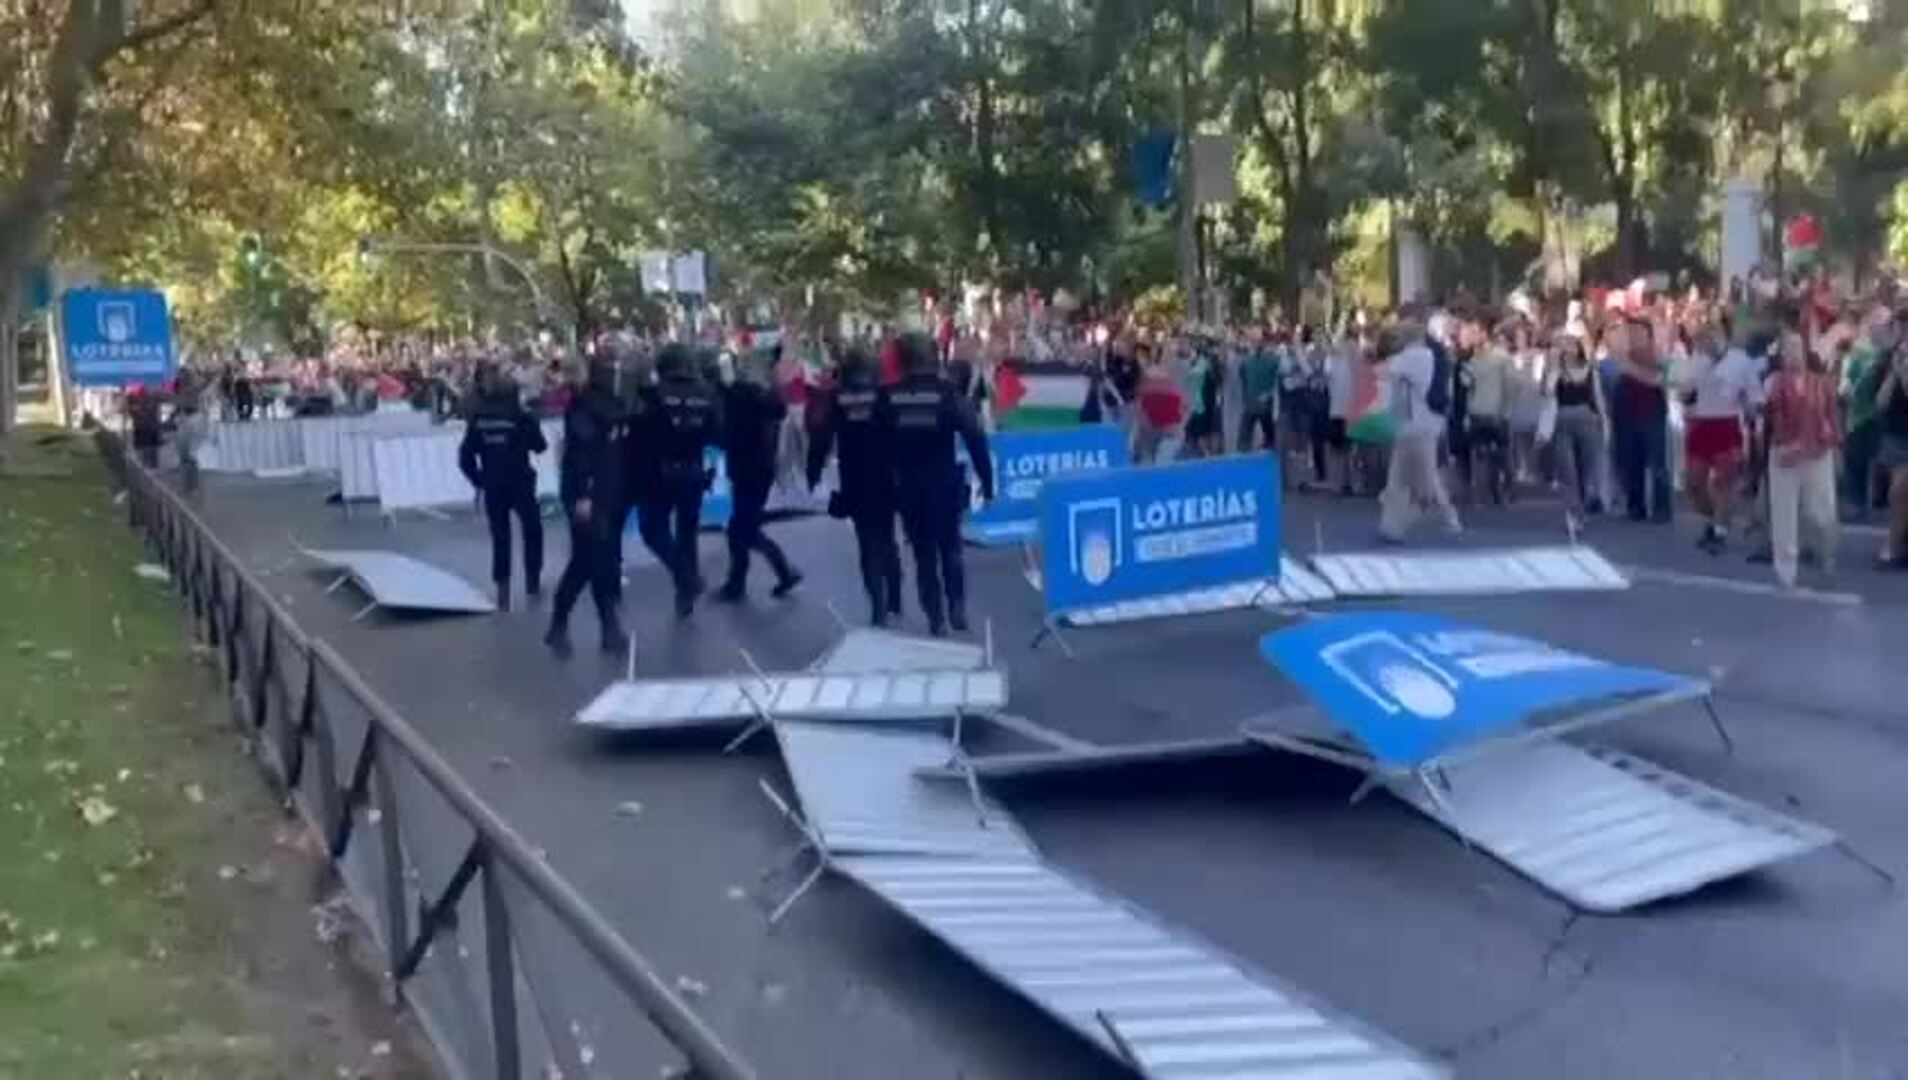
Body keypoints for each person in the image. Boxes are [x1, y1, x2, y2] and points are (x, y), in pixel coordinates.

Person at [882, 332, 993, 636]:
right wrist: (987, 482)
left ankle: (935, 617)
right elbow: (975, 439)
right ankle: (956, 604)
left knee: (923, 555)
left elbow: (877, 447)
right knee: (951, 548)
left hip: (908, 487)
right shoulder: (949, 394)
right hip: (944, 484)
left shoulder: (888, 396)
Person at [808, 347, 904, 625]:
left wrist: (813, 473)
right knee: (887, 538)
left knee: (867, 544)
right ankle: (895, 595)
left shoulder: (836, 399)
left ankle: (877, 604)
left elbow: (821, 439)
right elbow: (900, 435)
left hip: (854, 479)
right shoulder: (885, 397)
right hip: (885, 478)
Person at [545, 356, 630, 657]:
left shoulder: (608, 405)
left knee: (599, 560)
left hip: (606, 492)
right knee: (588, 561)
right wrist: (584, 494)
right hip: (590, 494)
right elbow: (584, 454)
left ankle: (599, 627)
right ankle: (571, 623)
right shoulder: (585, 408)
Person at [631, 344, 724, 618]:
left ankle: (686, 577)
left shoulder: (652, 394)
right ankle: (685, 594)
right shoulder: (707, 393)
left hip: (659, 471)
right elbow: (716, 433)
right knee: (687, 533)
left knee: (653, 530)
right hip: (693, 469)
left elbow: (641, 433)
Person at [458, 366, 548, 610]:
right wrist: (532, 422)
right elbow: (540, 446)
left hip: (493, 484)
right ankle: (532, 580)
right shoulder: (520, 417)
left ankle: (503, 589)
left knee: (500, 536)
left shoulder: (479, 420)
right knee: (532, 529)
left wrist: (479, 481)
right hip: (521, 482)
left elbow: (465, 456)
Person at [716, 352, 801, 603]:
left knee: (743, 529)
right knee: (742, 527)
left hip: (747, 469)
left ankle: (781, 573)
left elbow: (723, 429)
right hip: (759, 468)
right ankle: (740, 582)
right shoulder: (762, 397)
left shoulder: (739, 395)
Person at [1762, 327, 1840, 588]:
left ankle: (1825, 553)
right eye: (1788, 348)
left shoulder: (1821, 383)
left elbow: (1832, 417)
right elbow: (1773, 415)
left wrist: (1832, 444)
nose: (1794, 352)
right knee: (1783, 513)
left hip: (1817, 451)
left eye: (1797, 346)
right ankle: (1786, 571)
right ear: (1782, 354)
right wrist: (1787, 446)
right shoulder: (1774, 382)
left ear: (1805, 351)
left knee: (1821, 512)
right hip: (1785, 453)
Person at [1675, 322, 1761, 554]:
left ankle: (1720, 531)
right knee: (1694, 483)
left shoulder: (1740, 361)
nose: (1707, 342)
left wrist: (1752, 411)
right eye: (1703, 338)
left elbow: (1753, 395)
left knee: (1725, 482)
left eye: (1713, 336)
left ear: (1723, 337)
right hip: (1700, 424)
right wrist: (1686, 392)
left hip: (1727, 424)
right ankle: (1713, 520)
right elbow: (1684, 393)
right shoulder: (1696, 360)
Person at [1377, 320, 1461, 542]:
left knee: (1421, 481)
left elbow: (1383, 371)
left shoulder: (1414, 356)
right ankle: (1391, 527)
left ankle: (1445, 515)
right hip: (1422, 424)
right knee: (1400, 478)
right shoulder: (1429, 356)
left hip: (1416, 426)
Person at [1544, 334, 1607, 534]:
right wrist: (1553, 368)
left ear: (1579, 349)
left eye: (1571, 345)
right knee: (1567, 469)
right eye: (1563, 346)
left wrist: (1605, 421)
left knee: (1585, 468)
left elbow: (1598, 398)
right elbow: (1547, 392)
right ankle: (1574, 514)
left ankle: (1583, 503)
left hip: (1587, 419)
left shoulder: (1590, 371)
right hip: (1562, 420)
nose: (1568, 350)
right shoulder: (1555, 371)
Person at [1613, 316, 1673, 522]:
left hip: (1652, 414)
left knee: (1657, 464)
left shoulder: (1656, 355)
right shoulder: (1624, 355)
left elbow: (1659, 380)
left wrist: (1630, 368)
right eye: (1630, 332)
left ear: (1648, 334)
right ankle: (1635, 506)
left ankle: (1662, 509)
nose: (1633, 336)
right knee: (1632, 462)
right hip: (1628, 414)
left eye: (1638, 332)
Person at [1463, 324, 1513, 504]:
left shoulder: (1501, 358)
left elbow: (1509, 385)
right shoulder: (1472, 360)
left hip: (1496, 412)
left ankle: (1505, 489)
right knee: (1480, 453)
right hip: (1478, 411)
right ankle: (1483, 493)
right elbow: (1468, 388)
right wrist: (1467, 414)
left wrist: (1506, 411)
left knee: (1501, 454)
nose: (1472, 337)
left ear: (1485, 334)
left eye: (1476, 333)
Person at [1237, 330, 1279, 453]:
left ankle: (1269, 459)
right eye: (1253, 341)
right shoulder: (1246, 362)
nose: (1256, 344)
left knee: (1270, 438)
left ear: (1264, 343)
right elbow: (1243, 380)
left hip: (1265, 407)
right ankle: (1243, 464)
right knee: (1243, 441)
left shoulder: (1273, 360)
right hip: (1250, 406)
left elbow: (1277, 383)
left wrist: (1269, 394)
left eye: (1258, 341)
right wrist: (1246, 399)